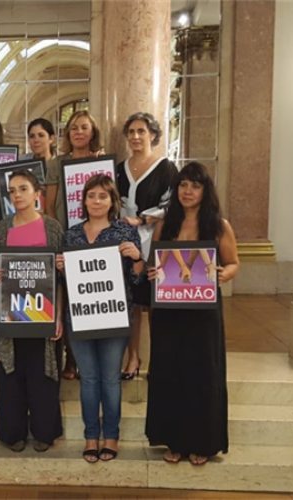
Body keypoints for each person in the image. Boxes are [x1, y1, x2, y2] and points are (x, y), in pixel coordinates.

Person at [145, 162, 239, 466]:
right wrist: (153, 273)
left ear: (204, 190)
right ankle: (173, 440)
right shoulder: (164, 225)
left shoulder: (219, 226)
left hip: (203, 312)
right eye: (183, 185)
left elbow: (234, 263)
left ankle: (203, 442)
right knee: (170, 373)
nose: (187, 191)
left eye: (194, 186)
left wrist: (224, 275)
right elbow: (156, 264)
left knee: (202, 374)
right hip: (169, 313)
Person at [55, 174, 144, 463]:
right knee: (89, 380)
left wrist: (137, 259)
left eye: (102, 196)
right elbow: (67, 282)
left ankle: (112, 437)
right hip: (79, 317)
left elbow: (137, 279)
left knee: (110, 379)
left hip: (115, 316)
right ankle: (91, 437)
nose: (96, 201)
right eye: (91, 196)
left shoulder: (124, 232)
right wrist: (60, 267)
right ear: (83, 200)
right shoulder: (71, 235)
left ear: (112, 201)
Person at [0, 170, 64, 452]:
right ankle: (13, 433)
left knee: (42, 374)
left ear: (37, 194)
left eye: (23, 189)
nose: (17, 195)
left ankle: (44, 433)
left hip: (43, 316)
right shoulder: (2, 228)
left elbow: (59, 279)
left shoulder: (53, 228)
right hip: (11, 314)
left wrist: (58, 316)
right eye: (12, 190)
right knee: (11, 374)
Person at [116, 112, 178, 380]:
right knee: (130, 304)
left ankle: (158, 360)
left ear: (153, 134)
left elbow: (173, 206)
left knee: (154, 303)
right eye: (131, 132)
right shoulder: (119, 168)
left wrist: (142, 218)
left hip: (155, 241)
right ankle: (133, 358)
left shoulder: (166, 168)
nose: (136, 137)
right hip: (125, 243)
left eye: (141, 131)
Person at [43, 110, 103, 380]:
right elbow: (48, 203)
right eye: (73, 128)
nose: (79, 132)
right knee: (66, 300)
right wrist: (58, 236)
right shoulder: (57, 163)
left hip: (94, 240)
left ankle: (90, 357)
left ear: (93, 132)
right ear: (67, 134)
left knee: (90, 297)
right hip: (66, 238)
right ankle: (70, 358)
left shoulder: (100, 162)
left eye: (84, 127)